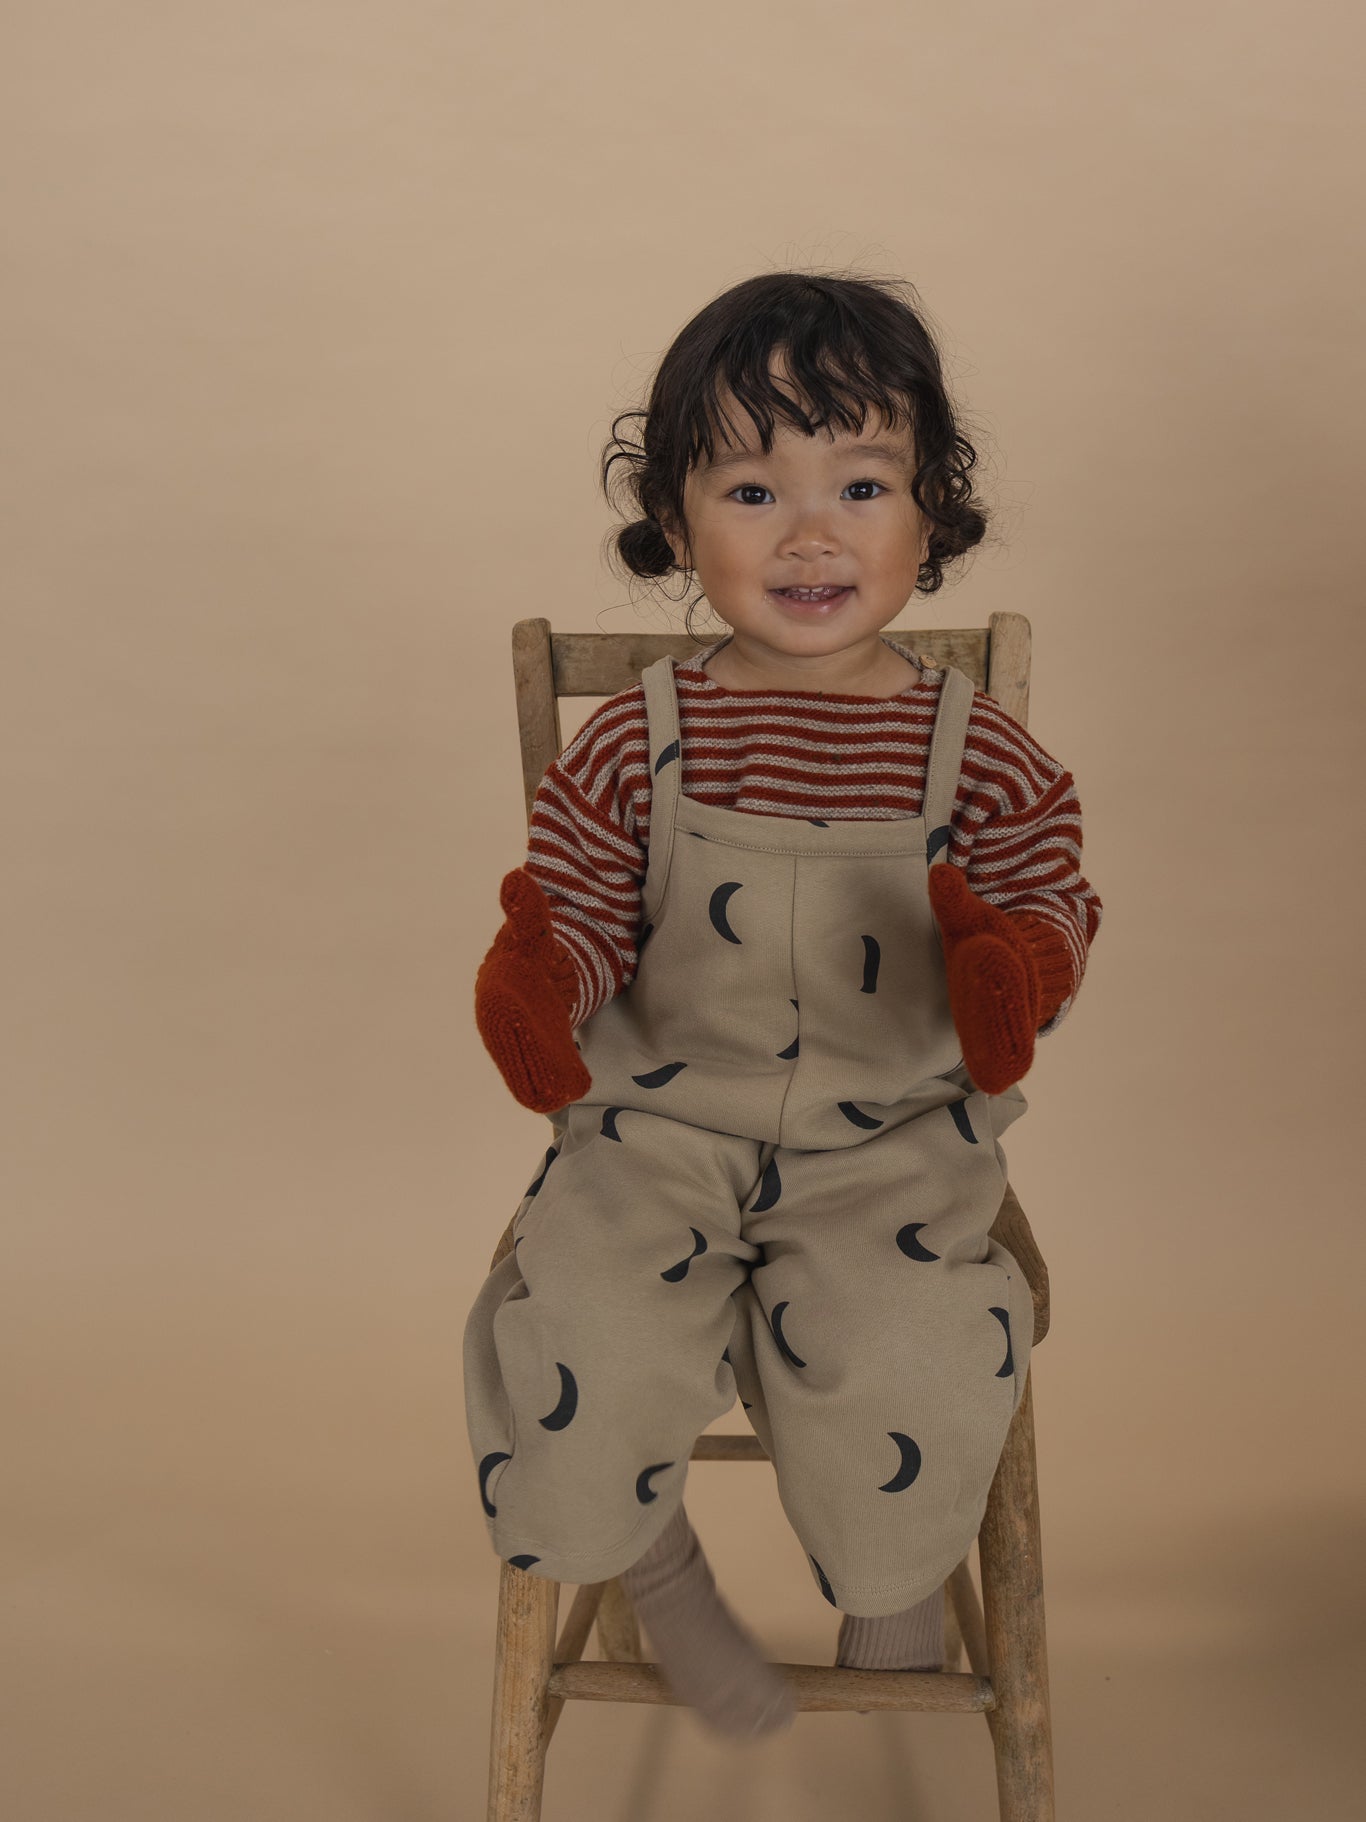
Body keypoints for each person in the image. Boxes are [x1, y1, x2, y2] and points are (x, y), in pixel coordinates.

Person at [463, 270, 1103, 1738]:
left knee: (914, 1345)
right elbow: (570, 905)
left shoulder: (980, 750)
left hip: (888, 1141)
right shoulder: (637, 739)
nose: (811, 530)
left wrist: (1017, 971)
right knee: (574, 1335)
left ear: (926, 515)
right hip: (652, 1130)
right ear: (676, 524)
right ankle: (657, 1567)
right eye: (752, 489)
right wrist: (538, 978)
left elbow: (1048, 894)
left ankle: (888, 1588)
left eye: (861, 481)